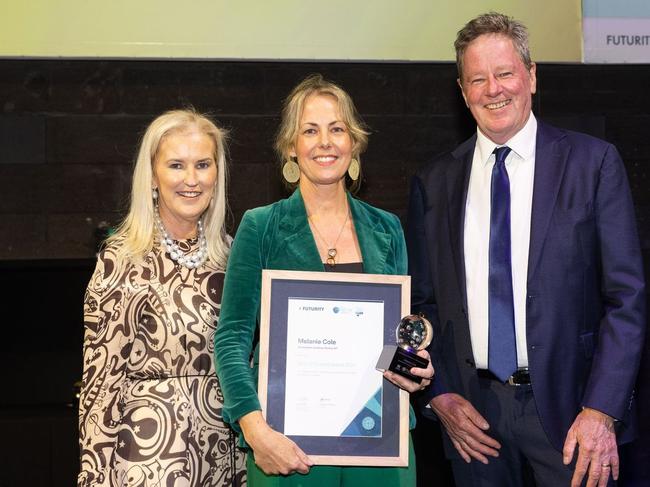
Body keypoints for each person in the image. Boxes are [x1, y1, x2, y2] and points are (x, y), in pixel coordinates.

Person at [407, 12, 646, 487]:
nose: (493, 89)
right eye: (478, 78)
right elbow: (419, 305)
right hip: (473, 420)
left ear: (532, 77)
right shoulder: (433, 182)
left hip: (573, 415)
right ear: (462, 90)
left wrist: (601, 409)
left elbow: (627, 299)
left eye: (505, 73)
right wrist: (438, 395)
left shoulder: (593, 164)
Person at [214, 73, 433, 486]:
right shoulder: (261, 226)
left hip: (380, 443)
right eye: (309, 131)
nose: (325, 142)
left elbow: (393, 339)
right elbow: (232, 337)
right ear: (291, 148)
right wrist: (254, 429)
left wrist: (411, 367)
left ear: (354, 143)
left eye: (337, 129)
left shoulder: (387, 229)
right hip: (286, 449)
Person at [78, 109, 246, 487]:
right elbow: (99, 390)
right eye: (176, 165)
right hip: (151, 461)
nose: (191, 179)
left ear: (217, 175)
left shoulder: (234, 257)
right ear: (153, 176)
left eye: (203, 164)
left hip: (226, 460)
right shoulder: (121, 259)